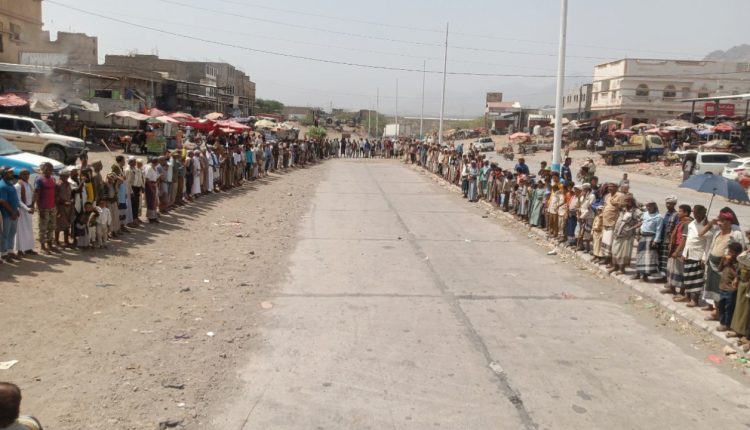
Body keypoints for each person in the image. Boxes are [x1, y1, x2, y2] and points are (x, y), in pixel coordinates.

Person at [700, 208, 745, 320]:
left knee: (721, 291)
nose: (719, 223)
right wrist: (711, 222)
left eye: (722, 221)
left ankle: (720, 314)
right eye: (719, 220)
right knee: (713, 289)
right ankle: (716, 311)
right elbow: (701, 234)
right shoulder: (716, 232)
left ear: (729, 222)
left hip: (725, 268)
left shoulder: (735, 235)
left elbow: (741, 253)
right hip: (712, 265)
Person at [679, 205, 709, 307]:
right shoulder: (692, 223)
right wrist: (684, 253)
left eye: (697, 213)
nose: (695, 215)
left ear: (702, 213)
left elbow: (707, 244)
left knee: (696, 279)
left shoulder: (707, 226)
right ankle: (687, 296)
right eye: (694, 212)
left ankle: (694, 300)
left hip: (698, 255)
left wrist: (704, 258)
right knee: (687, 276)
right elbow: (688, 240)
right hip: (688, 253)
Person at [609, 195, 640, 275]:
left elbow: (641, 221)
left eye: (628, 201)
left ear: (632, 202)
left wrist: (633, 228)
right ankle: (615, 266)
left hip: (627, 235)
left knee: (623, 253)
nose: (626, 203)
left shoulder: (635, 211)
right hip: (617, 233)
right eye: (625, 201)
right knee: (615, 250)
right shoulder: (623, 209)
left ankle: (622, 269)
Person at [633, 200, 662, 282]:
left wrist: (655, 241)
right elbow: (642, 223)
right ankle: (638, 273)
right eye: (647, 206)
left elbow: (659, 230)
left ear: (654, 206)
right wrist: (638, 234)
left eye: (650, 206)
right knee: (639, 255)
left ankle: (645, 276)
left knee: (647, 258)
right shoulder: (645, 214)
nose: (648, 208)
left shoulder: (658, 217)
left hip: (651, 238)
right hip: (643, 237)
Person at [717, 241, 742, 332]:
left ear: (737, 253)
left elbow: (737, 275)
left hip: (730, 289)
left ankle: (727, 324)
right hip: (722, 286)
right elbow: (719, 269)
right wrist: (723, 260)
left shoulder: (738, 263)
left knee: (729, 308)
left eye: (731, 251)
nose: (729, 253)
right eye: (729, 251)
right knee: (721, 306)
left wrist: (730, 265)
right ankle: (722, 322)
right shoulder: (726, 260)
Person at [656, 196, 679, 281]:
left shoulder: (676, 215)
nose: (668, 205)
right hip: (662, 238)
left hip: (668, 240)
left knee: (666, 259)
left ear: (674, 204)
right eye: (667, 203)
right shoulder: (667, 213)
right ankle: (662, 275)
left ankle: (665, 277)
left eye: (670, 204)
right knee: (661, 258)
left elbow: (676, 228)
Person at [13, 170, 34, 257]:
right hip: (21, 210)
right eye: (24, 174)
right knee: (20, 231)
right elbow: (18, 200)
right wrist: (27, 208)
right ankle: (20, 250)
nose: (26, 176)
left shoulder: (29, 185)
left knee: (28, 230)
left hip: (29, 209)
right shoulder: (18, 186)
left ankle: (28, 248)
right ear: (20, 175)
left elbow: (31, 197)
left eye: (28, 174)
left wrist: (32, 206)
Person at [0, 167, 19, 263]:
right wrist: (12, 212)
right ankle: (4, 254)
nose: (12, 173)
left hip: (13, 213)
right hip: (7, 214)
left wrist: (16, 210)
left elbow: (14, 198)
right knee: (5, 234)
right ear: (4, 174)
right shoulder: (2, 185)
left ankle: (10, 251)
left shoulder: (10, 184)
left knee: (12, 233)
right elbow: (3, 201)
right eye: (10, 172)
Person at [143, 158, 160, 223]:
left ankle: (154, 216)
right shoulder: (149, 168)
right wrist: (151, 188)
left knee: (154, 201)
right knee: (151, 201)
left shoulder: (155, 168)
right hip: (150, 185)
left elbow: (155, 177)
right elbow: (147, 179)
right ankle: (150, 217)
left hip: (154, 184)